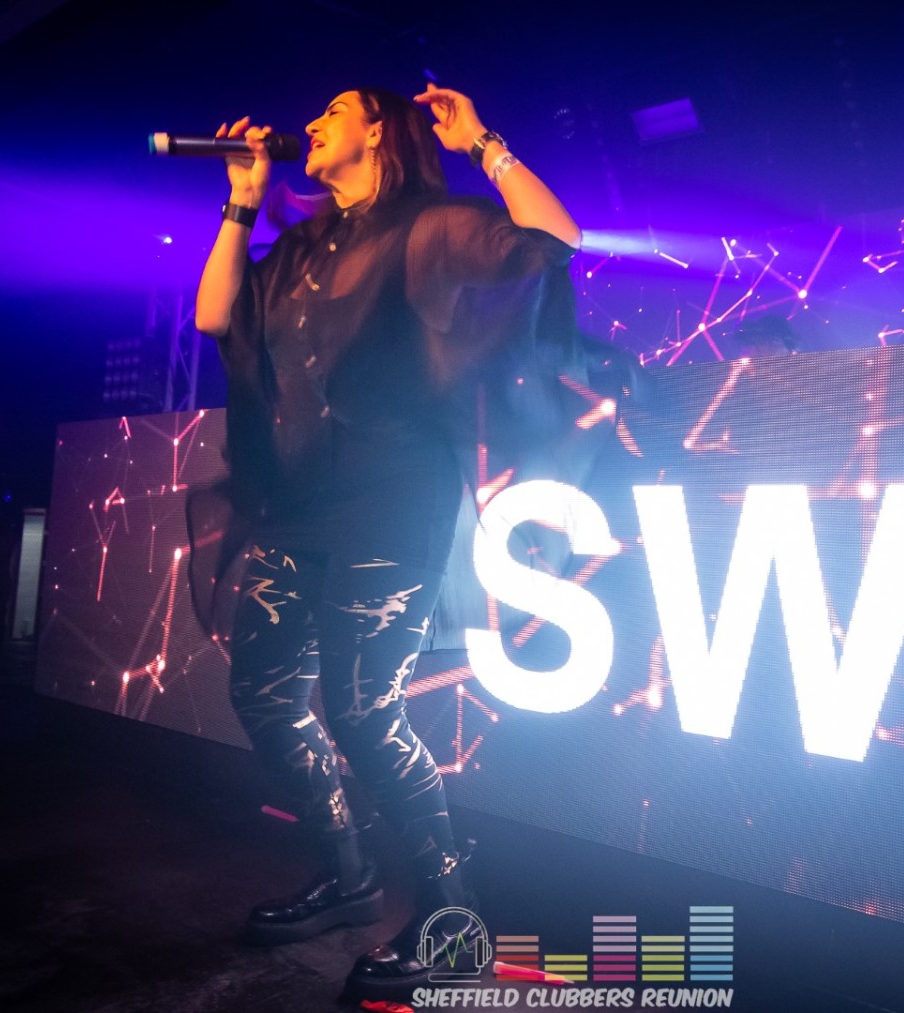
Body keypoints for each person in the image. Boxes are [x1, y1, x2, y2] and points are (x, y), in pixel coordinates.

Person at [191, 83, 582, 1000]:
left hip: (391, 501)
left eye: (333, 111)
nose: (311, 123)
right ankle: (348, 872)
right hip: (298, 501)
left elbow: (556, 239)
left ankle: (456, 918)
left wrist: (483, 142)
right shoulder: (302, 245)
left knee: (364, 710)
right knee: (262, 692)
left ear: (378, 132)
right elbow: (214, 316)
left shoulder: (427, 224)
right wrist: (242, 201)